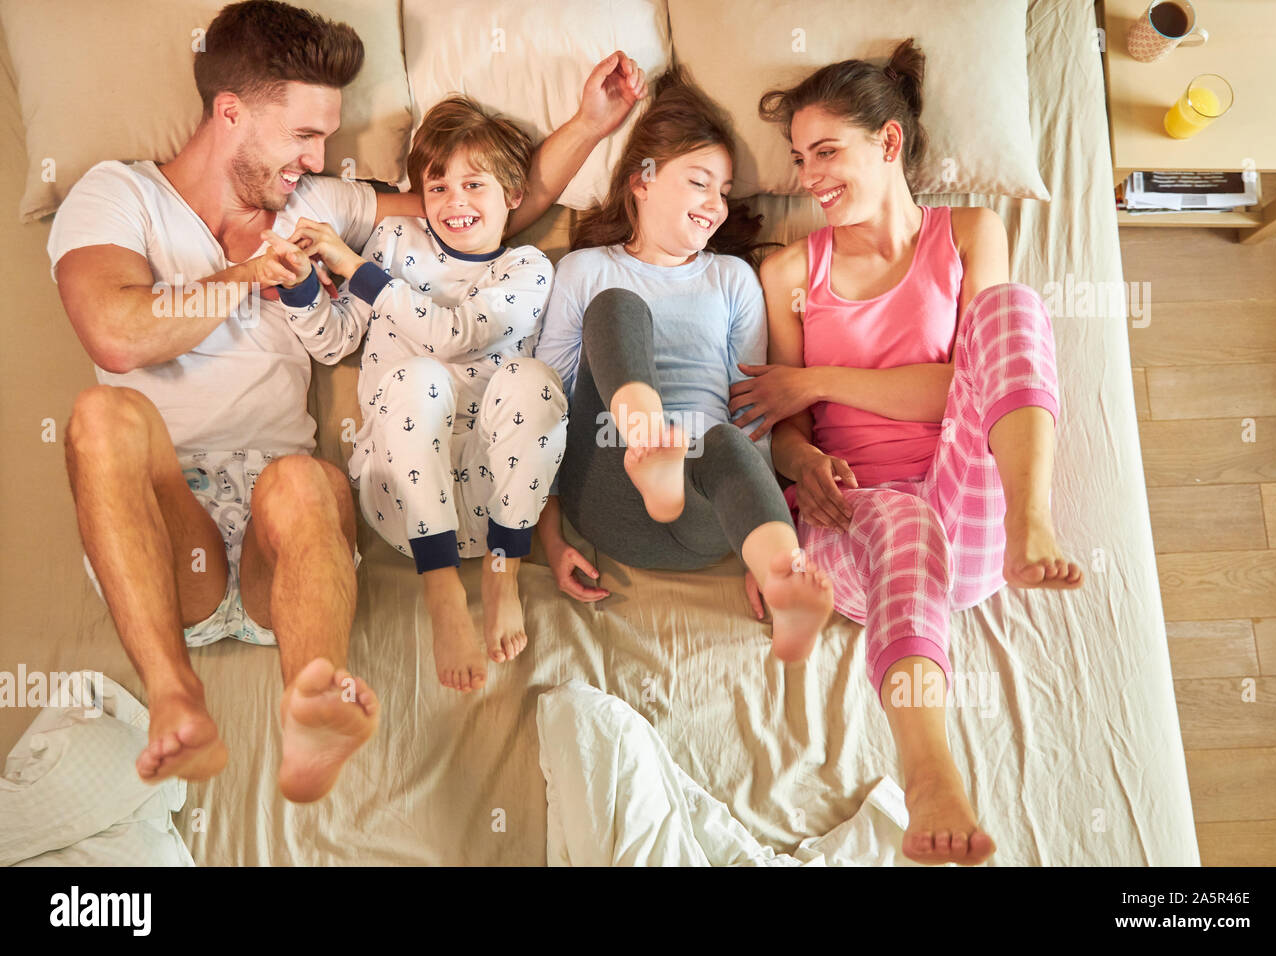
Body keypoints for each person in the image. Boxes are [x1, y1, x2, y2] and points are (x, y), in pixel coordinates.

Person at [49, 0, 644, 801]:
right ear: (230, 113)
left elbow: (485, 214)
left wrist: (590, 123)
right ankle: (174, 694)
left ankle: (312, 708)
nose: (319, 157)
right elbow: (116, 335)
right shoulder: (115, 195)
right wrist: (249, 277)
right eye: (303, 136)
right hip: (162, 521)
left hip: (281, 532)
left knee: (304, 479)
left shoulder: (317, 204)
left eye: (325, 138)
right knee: (97, 417)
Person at [733, 38, 1084, 863]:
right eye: (798, 158)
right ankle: (929, 774)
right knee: (900, 527)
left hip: (975, 509)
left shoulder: (969, 232)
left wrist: (818, 379)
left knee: (1012, 312)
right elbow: (781, 424)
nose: (809, 176)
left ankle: (1033, 526)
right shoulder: (787, 272)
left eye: (828, 151)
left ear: (889, 143)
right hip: (854, 528)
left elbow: (963, 382)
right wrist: (802, 459)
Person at [270, 96, 581, 693]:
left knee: (535, 383)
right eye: (437, 187)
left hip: (499, 492)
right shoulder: (391, 241)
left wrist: (357, 268)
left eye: (474, 184)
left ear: (513, 195)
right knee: (417, 379)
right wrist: (302, 286)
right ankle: (440, 588)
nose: (453, 202)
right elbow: (335, 343)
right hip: (402, 492)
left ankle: (501, 573)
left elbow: (455, 334)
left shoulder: (529, 268)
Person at [534, 69, 834, 658]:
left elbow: (754, 416)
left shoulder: (734, 279)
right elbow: (546, 406)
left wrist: (757, 534)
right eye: (699, 183)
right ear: (641, 182)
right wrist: (547, 537)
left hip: (701, 519)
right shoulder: (586, 270)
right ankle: (650, 450)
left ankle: (783, 584)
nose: (715, 205)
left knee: (725, 440)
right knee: (619, 307)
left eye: (723, 191)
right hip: (607, 486)